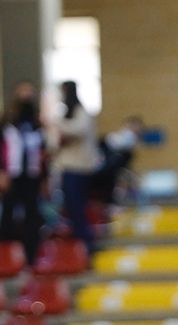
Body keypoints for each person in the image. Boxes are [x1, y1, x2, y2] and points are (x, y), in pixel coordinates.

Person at [0, 89, 45, 265]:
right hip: (12, 175)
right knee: (7, 216)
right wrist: (0, 171)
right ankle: (4, 258)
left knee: (32, 219)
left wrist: (43, 178)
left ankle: (31, 258)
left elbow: (42, 153)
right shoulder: (5, 125)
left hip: (31, 177)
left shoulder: (37, 126)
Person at [51, 81, 98, 250]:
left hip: (79, 169)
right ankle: (79, 244)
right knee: (71, 208)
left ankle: (86, 244)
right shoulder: (66, 114)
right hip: (67, 167)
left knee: (78, 208)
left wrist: (56, 123)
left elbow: (78, 130)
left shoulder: (80, 112)